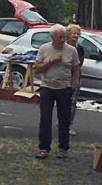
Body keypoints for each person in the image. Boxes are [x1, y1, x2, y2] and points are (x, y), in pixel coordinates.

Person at [34, 24, 80, 160]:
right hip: (47, 87)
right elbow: (37, 68)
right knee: (45, 117)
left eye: (64, 37)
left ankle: (63, 148)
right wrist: (50, 61)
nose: (63, 40)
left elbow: (76, 69)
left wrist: (73, 86)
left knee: (64, 119)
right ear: (52, 37)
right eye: (60, 37)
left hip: (64, 88)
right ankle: (43, 148)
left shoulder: (71, 51)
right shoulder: (44, 49)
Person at [66, 24, 84, 136]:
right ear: (68, 34)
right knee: (63, 101)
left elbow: (80, 63)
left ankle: (68, 125)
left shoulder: (80, 49)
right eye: (73, 33)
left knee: (72, 101)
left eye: (77, 34)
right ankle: (62, 121)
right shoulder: (63, 46)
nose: (75, 36)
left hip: (75, 75)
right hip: (63, 75)